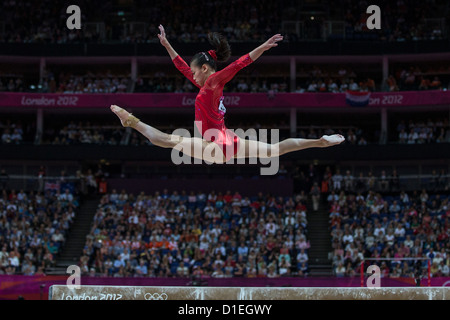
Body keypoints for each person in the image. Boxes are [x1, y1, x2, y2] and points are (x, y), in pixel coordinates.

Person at [111, 25, 345, 164]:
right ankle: (320, 142)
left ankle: (130, 121)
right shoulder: (206, 86)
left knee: (165, 140)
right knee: (276, 150)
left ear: (204, 69)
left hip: (215, 146)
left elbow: (238, 64)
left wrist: (262, 47)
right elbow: (182, 66)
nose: (191, 75)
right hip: (228, 142)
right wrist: (167, 45)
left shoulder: (212, 82)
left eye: (195, 71)